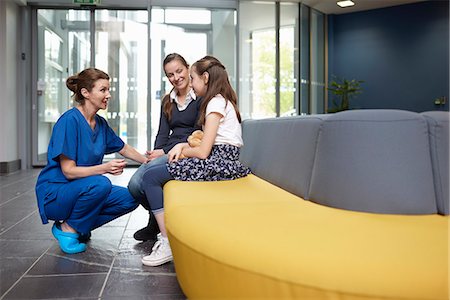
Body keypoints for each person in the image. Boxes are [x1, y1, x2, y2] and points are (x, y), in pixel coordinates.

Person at [139, 55, 251, 267]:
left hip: (219, 161)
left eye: (193, 78)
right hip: (221, 159)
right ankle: (164, 235)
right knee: (153, 174)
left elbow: (202, 152)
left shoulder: (215, 103)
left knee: (151, 177)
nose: (191, 82)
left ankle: (166, 242)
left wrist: (182, 148)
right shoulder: (220, 101)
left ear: (205, 78)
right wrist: (182, 147)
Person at [35, 67, 148, 254]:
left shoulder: (100, 124)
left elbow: (123, 148)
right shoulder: (69, 121)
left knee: (129, 199)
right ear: (85, 93)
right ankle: (67, 230)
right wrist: (104, 168)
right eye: (103, 90)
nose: (108, 95)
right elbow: (68, 171)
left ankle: (78, 225)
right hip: (55, 193)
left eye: (108, 90)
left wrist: (147, 162)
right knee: (101, 184)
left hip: (83, 188)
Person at [127, 53, 202, 241]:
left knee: (144, 179)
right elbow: (162, 132)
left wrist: (166, 152)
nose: (176, 78)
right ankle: (155, 218)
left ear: (187, 68)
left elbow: (198, 134)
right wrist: (155, 153)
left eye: (179, 71)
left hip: (187, 151)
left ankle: (157, 223)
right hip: (167, 151)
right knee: (134, 185)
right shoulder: (168, 101)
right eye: (170, 75)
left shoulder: (201, 97)